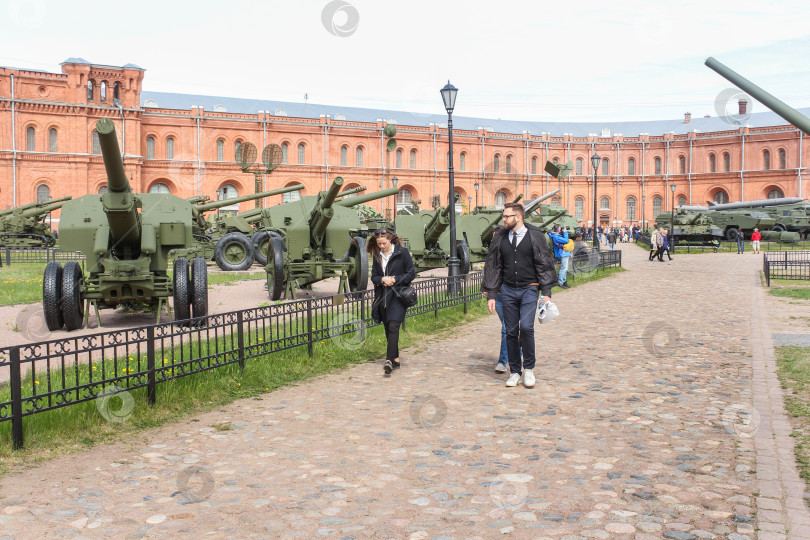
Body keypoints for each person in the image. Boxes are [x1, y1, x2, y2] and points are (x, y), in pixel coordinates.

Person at [482, 203, 557, 388]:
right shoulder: (500, 238)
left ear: (519, 217)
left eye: (507, 216)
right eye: (504, 216)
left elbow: (544, 263)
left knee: (526, 328)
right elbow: (494, 266)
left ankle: (529, 369)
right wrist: (492, 293)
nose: (504, 219)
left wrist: (546, 293)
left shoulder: (535, 236)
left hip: (529, 289)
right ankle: (515, 371)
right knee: (511, 331)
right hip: (507, 290)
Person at [368, 228, 416, 375]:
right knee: (388, 327)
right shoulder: (377, 255)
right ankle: (395, 358)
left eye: (383, 243)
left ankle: (388, 361)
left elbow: (411, 273)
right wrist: (382, 279)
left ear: (390, 239)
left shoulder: (402, 253)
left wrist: (395, 279)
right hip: (383, 296)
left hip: (398, 295)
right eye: (379, 244)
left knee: (394, 325)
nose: (381, 246)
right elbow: (374, 277)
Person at [548, 225, 571, 289]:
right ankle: (560, 282)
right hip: (562, 253)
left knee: (565, 268)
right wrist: (565, 232)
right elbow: (566, 241)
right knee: (564, 268)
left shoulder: (557, 235)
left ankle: (564, 281)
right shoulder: (556, 237)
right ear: (559, 229)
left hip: (564, 253)